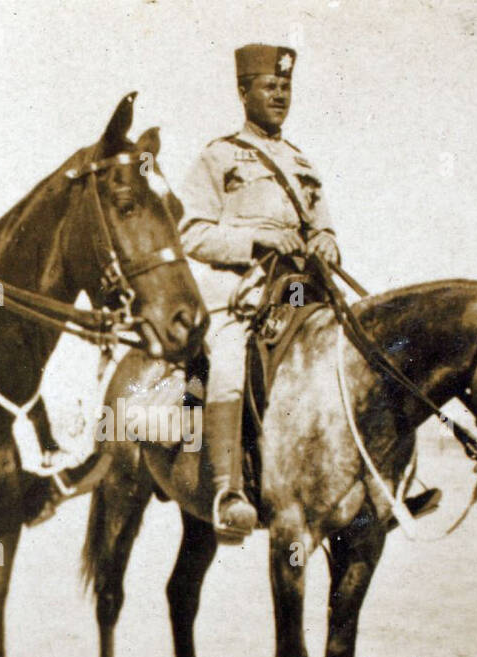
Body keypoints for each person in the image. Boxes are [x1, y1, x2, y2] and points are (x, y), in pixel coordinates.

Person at [177, 44, 437, 540]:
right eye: (269, 86)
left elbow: (326, 228)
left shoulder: (303, 164)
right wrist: (256, 238)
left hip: (299, 290)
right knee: (229, 362)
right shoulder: (218, 156)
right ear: (243, 91)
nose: (279, 95)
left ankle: (392, 482)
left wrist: (326, 240)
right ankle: (229, 492)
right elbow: (190, 233)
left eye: (286, 87)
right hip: (241, 291)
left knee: (360, 352)